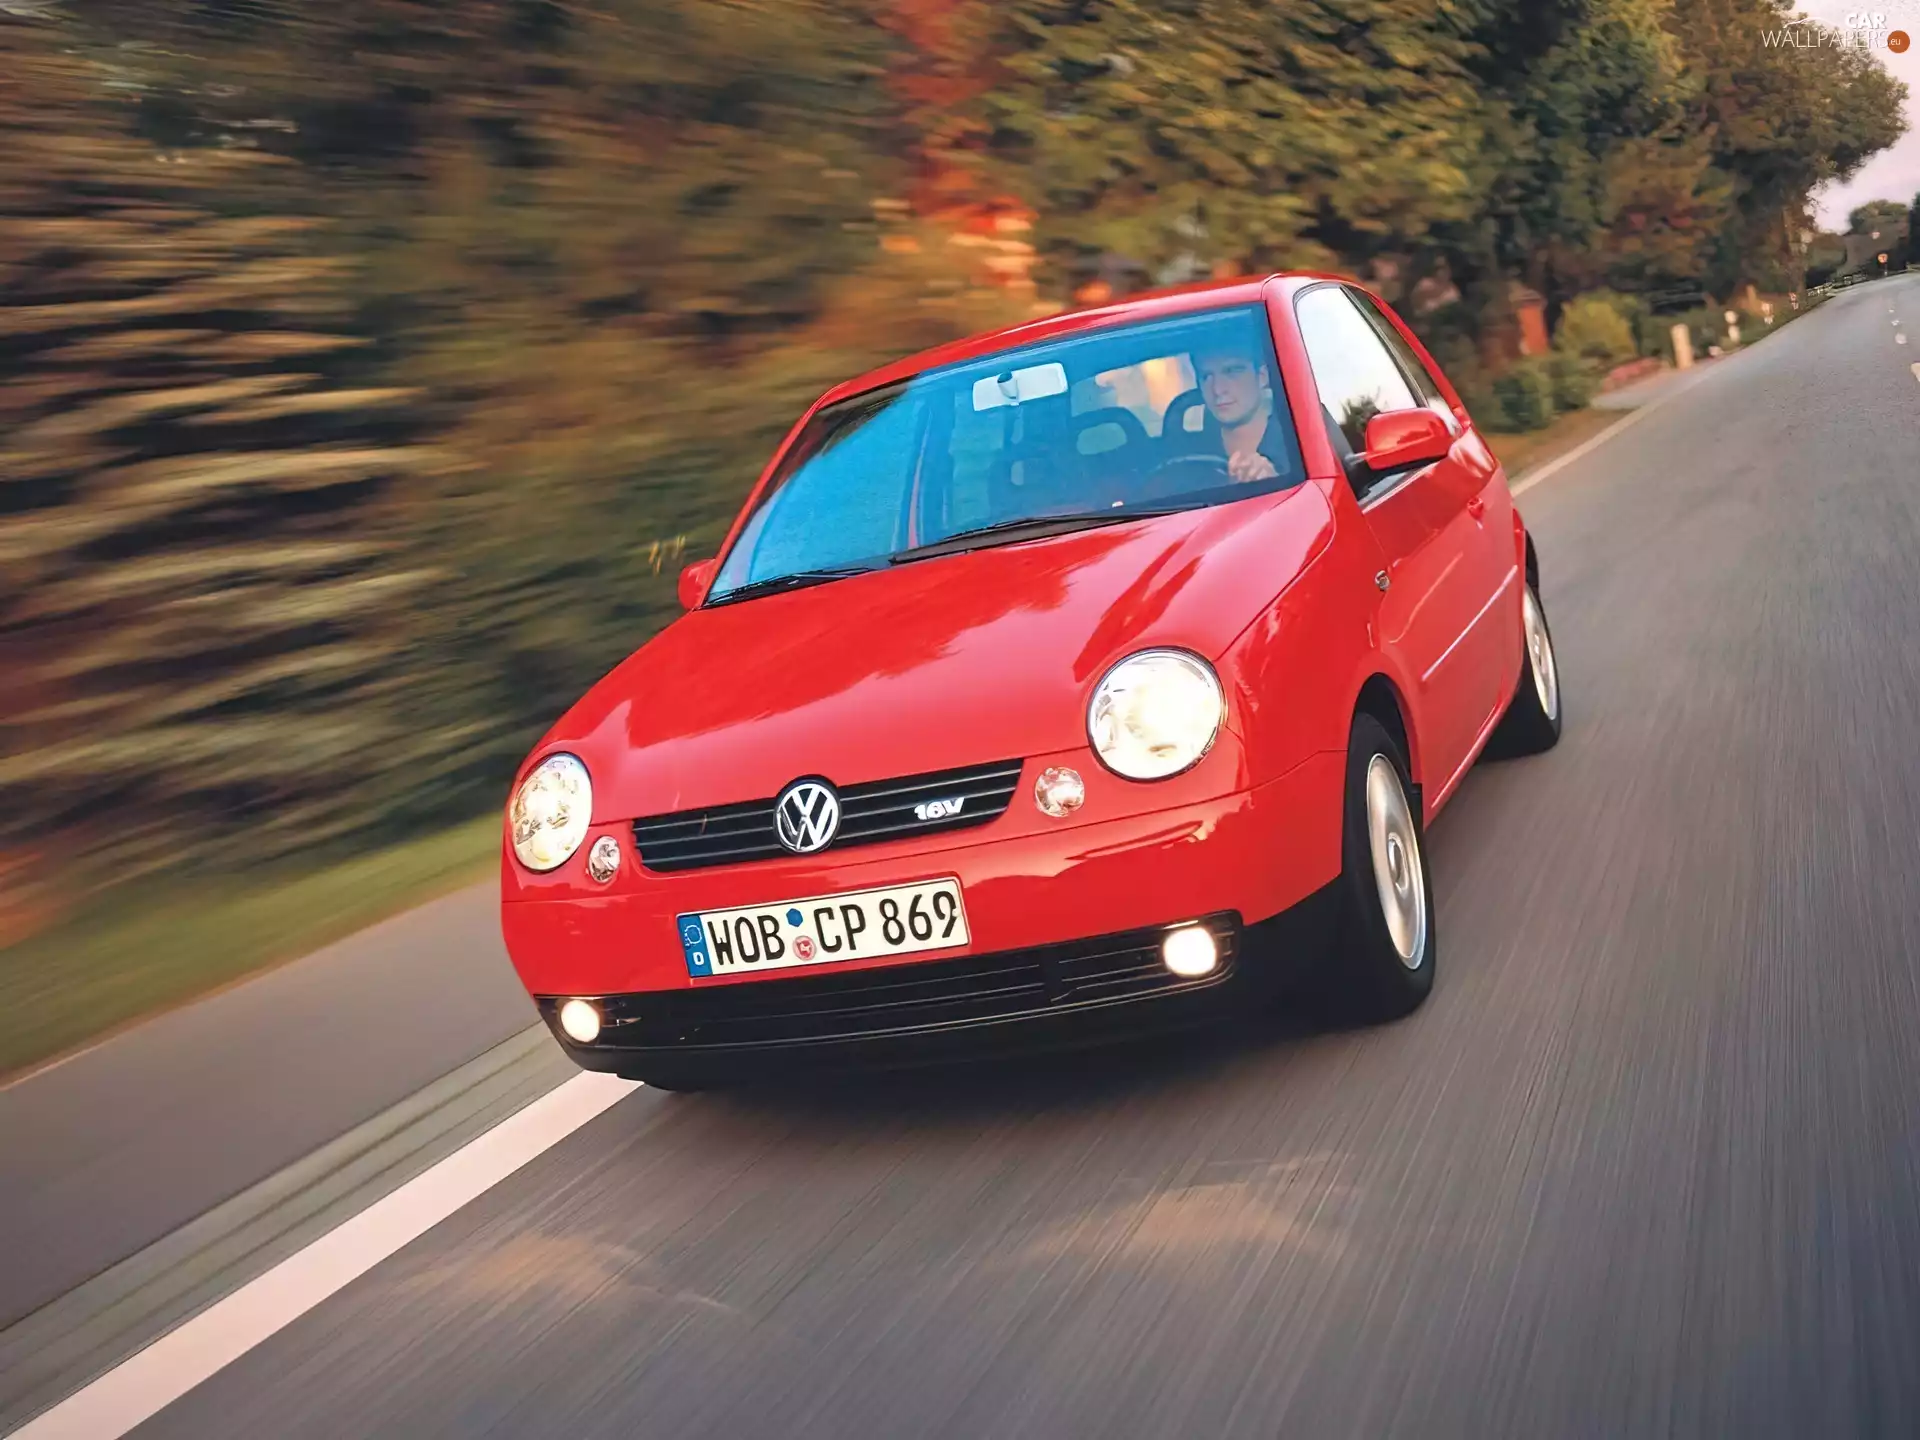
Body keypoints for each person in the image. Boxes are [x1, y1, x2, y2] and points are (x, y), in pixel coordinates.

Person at [1193, 337, 1292, 484]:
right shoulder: (1189, 454)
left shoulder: (1300, 438)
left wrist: (1277, 485)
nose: (1217, 389)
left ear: (1262, 376)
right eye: (1206, 376)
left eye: (1232, 371)